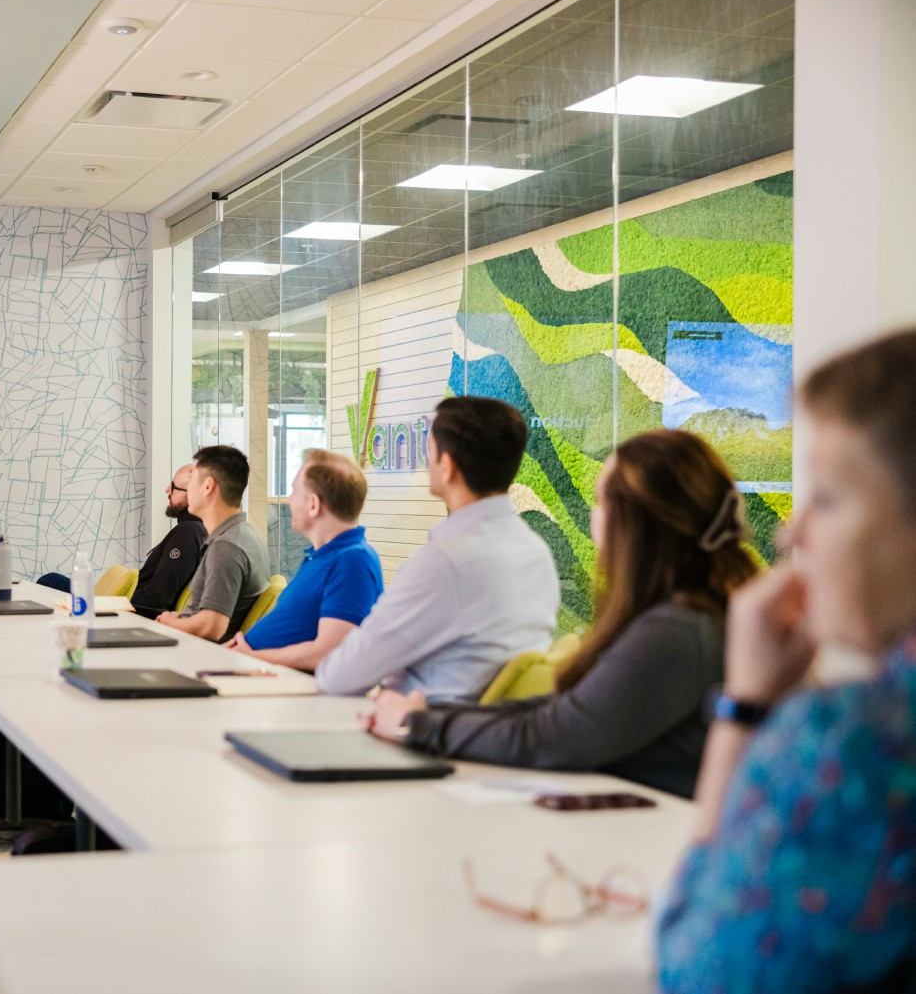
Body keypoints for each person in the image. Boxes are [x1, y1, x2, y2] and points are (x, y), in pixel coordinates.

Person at [657, 331, 916, 993]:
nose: (791, 533)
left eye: (827, 498)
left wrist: (746, 707)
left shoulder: (856, 743)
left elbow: (698, 967)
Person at [364, 429, 757, 798]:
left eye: (601, 501)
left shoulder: (678, 630)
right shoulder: (685, 616)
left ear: (632, 523)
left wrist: (416, 725)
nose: (592, 515)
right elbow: (564, 709)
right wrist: (429, 714)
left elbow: (555, 735)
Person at [314, 396, 560, 699]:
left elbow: (338, 677)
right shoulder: (536, 552)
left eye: (428, 450)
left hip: (418, 732)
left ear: (447, 467)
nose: (425, 462)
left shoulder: (445, 562)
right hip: (484, 730)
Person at [225, 449, 383, 670]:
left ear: (313, 504)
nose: (289, 500)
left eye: (294, 491)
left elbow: (330, 653)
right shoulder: (321, 556)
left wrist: (254, 657)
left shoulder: (353, 561)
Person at [37, 462, 207, 619]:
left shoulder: (188, 532)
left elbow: (158, 598)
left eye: (174, 487)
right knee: (52, 580)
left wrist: (111, 601)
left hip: (129, 611)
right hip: (124, 603)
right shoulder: (191, 530)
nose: (167, 490)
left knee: (50, 581)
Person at [155, 445, 269, 643]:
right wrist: (180, 618)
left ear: (207, 486)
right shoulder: (241, 534)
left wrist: (168, 622)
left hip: (200, 657)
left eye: (193, 482)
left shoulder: (227, 546)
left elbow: (211, 627)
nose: (188, 490)